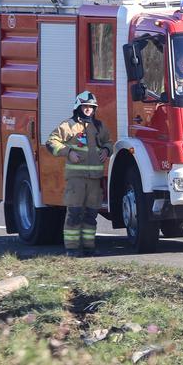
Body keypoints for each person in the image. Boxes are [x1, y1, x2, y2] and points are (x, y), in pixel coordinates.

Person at [47, 91, 112, 257]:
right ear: (78, 107)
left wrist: (106, 150)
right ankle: (72, 249)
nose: (88, 109)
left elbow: (108, 142)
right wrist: (68, 152)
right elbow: (51, 142)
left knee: (91, 215)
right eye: (85, 106)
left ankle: (89, 248)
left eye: (91, 107)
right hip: (76, 179)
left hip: (94, 181)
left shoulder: (99, 126)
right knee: (74, 214)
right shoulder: (69, 125)